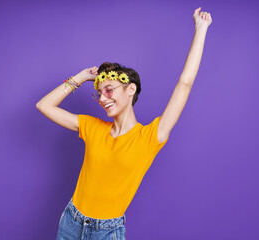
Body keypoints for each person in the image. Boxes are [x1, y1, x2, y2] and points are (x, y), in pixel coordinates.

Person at [36, 6, 212, 240]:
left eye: (109, 91)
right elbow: (44, 106)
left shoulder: (150, 137)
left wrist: (201, 29)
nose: (102, 99)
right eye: (98, 94)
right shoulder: (92, 127)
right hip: (71, 221)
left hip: (107, 231)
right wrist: (81, 77)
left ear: (130, 89)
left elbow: (185, 83)